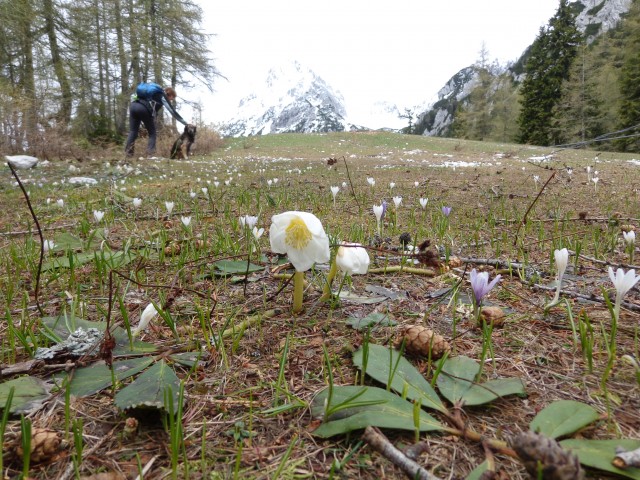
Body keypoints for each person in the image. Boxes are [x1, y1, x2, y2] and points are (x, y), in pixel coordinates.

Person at [124, 86, 189, 158]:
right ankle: (150, 154)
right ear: (170, 95)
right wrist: (186, 123)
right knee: (152, 133)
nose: (171, 100)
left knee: (133, 131)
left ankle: (128, 155)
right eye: (172, 98)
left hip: (133, 106)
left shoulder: (151, 94)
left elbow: (152, 109)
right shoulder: (162, 96)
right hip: (143, 108)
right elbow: (172, 111)